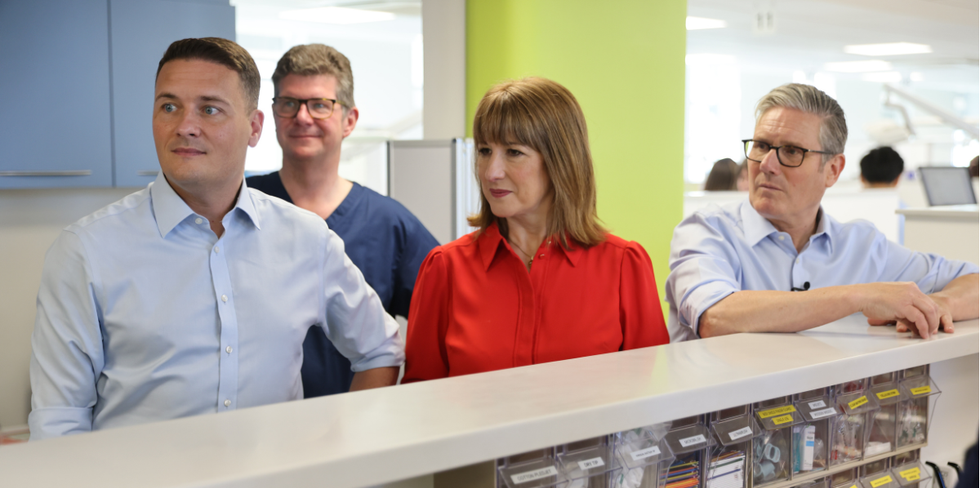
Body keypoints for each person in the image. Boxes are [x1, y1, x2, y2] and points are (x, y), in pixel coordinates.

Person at [28, 38, 402, 439]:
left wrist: (336, 445)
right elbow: (58, 421)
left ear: (254, 128)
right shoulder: (87, 251)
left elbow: (380, 349)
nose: (185, 126)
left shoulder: (306, 238)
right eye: (169, 107)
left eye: (210, 109)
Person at [402, 77, 669, 382]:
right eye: (485, 151)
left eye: (514, 152)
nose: (492, 172)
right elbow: (421, 405)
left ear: (561, 160)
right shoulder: (444, 269)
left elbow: (652, 408)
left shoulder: (624, 266)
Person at [666, 83, 978, 342]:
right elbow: (716, 316)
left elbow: (973, 280)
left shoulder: (862, 246)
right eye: (761, 145)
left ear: (832, 170)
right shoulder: (707, 230)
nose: (767, 165)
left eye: (791, 151)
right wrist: (860, 297)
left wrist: (937, 304)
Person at [248, 45, 438, 397]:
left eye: (320, 105)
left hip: (351, 427)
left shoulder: (388, 223)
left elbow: (446, 321)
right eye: (289, 103)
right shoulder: (239, 206)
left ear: (349, 120)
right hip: (251, 430)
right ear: (273, 114)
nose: (302, 117)